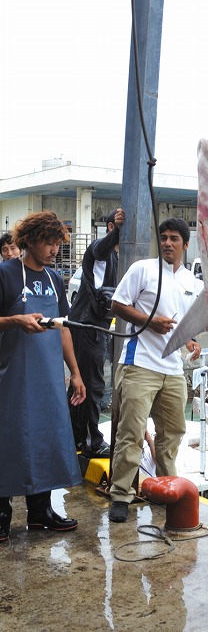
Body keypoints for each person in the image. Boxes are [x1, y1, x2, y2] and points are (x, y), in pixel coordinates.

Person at [108, 218, 202, 523]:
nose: (167, 243)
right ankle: (121, 495)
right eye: (163, 237)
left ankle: (166, 489)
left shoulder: (192, 282)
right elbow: (117, 304)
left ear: (186, 245)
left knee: (172, 433)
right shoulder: (143, 270)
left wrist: (192, 343)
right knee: (131, 433)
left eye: (175, 238)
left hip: (174, 370)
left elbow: (185, 325)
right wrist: (149, 320)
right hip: (140, 364)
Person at [0, 210, 86, 541]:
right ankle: (2, 513)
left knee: (47, 436)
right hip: (13, 376)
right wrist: (15, 321)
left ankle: (41, 512)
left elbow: (63, 329)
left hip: (49, 375)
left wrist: (75, 373)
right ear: (30, 240)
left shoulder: (54, 280)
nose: (54, 249)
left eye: (57, 243)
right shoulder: (6, 274)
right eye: (48, 242)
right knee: (11, 438)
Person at [67, 208, 125, 458]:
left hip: (93, 326)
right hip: (87, 325)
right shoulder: (100, 252)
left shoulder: (118, 259)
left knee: (81, 384)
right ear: (111, 228)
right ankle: (90, 441)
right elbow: (100, 249)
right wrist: (119, 231)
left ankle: (75, 437)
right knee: (92, 384)